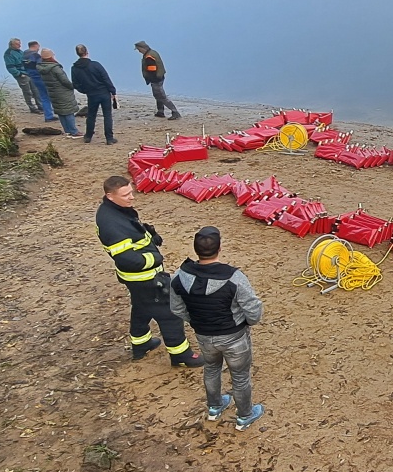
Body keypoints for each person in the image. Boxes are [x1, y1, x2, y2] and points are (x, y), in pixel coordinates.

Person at [95, 175, 200, 367]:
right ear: (110, 196)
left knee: (142, 307)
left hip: (137, 279)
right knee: (170, 313)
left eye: (131, 192)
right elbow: (127, 259)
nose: (131, 197)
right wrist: (155, 258)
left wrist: (149, 233)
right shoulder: (110, 223)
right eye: (126, 195)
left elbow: (131, 229)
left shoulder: (115, 210)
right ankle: (181, 355)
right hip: (145, 277)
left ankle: (141, 344)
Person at [171, 226, 265, 430]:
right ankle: (245, 416)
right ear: (220, 248)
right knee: (240, 377)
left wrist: (197, 320)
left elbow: (176, 308)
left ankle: (215, 406)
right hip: (234, 337)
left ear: (195, 249)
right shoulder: (234, 278)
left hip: (204, 336)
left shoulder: (179, 276)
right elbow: (254, 310)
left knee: (211, 368)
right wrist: (247, 322)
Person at [71, 44, 119, 144]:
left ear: (77, 54)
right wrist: (113, 91)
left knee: (91, 115)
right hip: (103, 93)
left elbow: (75, 84)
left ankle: (88, 136)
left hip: (91, 94)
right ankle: (109, 138)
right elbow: (105, 78)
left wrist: (84, 90)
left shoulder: (75, 68)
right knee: (107, 116)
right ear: (87, 52)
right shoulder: (95, 65)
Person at [34, 48, 81, 137]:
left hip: (52, 91)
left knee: (60, 111)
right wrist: (72, 86)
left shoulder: (40, 67)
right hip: (62, 92)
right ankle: (74, 131)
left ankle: (67, 130)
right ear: (50, 56)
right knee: (68, 110)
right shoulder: (55, 68)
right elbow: (64, 81)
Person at [134, 40, 180, 119]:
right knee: (157, 95)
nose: (139, 51)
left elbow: (152, 70)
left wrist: (151, 79)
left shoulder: (149, 56)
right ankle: (160, 112)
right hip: (160, 77)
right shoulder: (152, 52)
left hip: (156, 79)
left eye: (139, 49)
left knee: (161, 96)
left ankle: (175, 112)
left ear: (143, 48)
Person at [4, 37, 42, 114]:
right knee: (27, 92)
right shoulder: (9, 54)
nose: (20, 45)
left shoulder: (20, 52)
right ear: (12, 44)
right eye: (17, 44)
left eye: (20, 44)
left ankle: (40, 106)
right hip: (22, 75)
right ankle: (32, 108)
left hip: (28, 73)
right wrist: (19, 74)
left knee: (36, 90)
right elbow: (10, 67)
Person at [23, 40, 55, 120]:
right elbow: (42, 68)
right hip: (40, 77)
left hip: (33, 77)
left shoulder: (24, 55)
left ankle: (48, 115)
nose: (38, 48)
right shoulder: (35, 56)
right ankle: (49, 114)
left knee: (43, 96)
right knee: (47, 96)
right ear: (35, 46)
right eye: (38, 46)